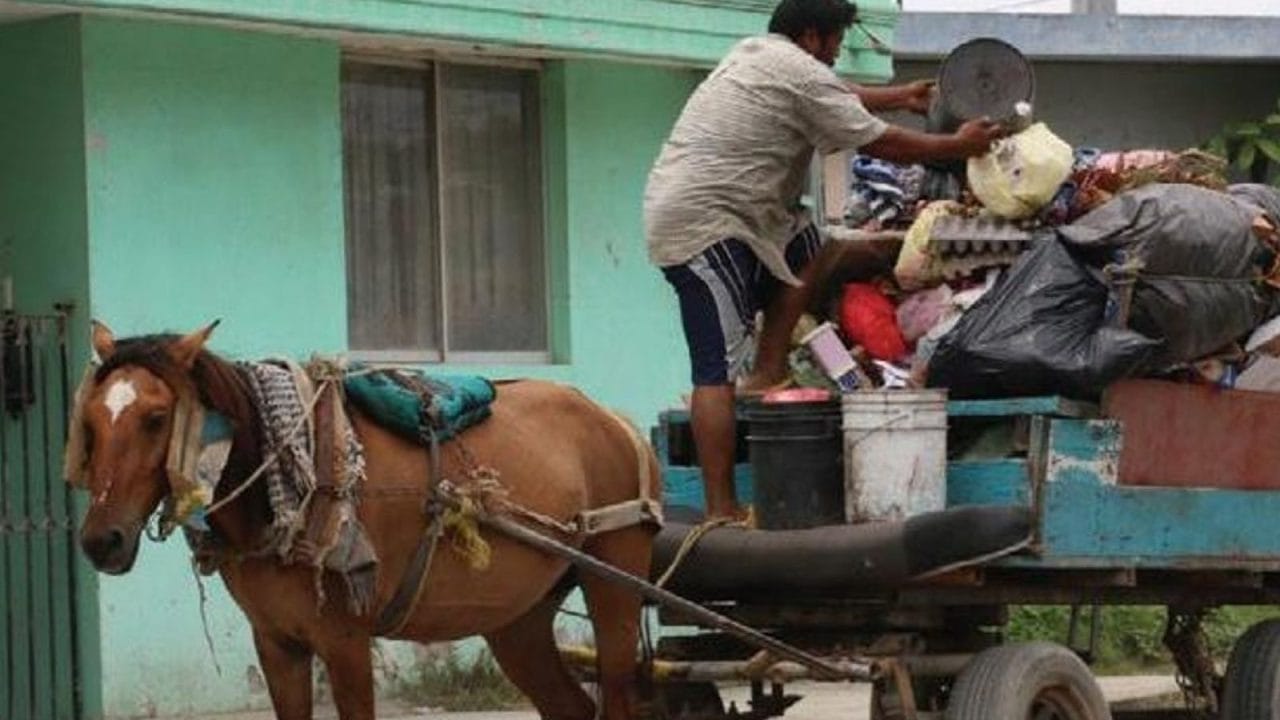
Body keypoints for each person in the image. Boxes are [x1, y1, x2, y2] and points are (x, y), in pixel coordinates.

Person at [644, 0, 1006, 520]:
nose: (838, 51)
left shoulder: (759, 53)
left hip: (743, 217)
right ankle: (721, 509)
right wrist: (957, 143)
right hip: (703, 224)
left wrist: (901, 95)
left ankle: (768, 369)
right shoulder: (797, 70)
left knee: (809, 244)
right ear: (812, 37)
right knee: (714, 367)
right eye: (836, 40)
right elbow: (884, 145)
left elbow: (839, 97)